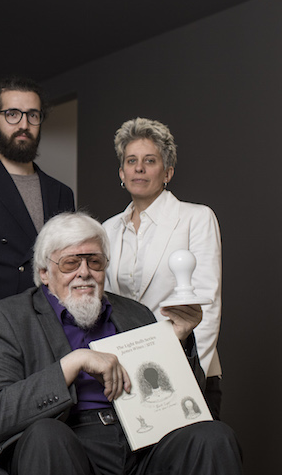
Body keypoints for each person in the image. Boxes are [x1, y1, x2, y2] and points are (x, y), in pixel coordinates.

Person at [0, 212, 241, 475]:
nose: (84, 272)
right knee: (46, 435)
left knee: (212, 436)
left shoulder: (136, 314)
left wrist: (177, 340)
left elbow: (189, 405)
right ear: (44, 272)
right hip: (67, 440)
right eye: (70, 263)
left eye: (95, 262)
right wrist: (74, 362)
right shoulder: (7, 318)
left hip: (140, 441)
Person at [0, 76, 75, 412]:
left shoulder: (61, 193)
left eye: (33, 115)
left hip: (52, 339)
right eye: (12, 114)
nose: (24, 124)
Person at [102, 117, 223, 419]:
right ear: (122, 172)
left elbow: (206, 306)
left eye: (150, 160)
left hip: (185, 365)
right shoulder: (106, 230)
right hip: (125, 374)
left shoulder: (196, 218)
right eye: (131, 161)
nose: (139, 168)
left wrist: (187, 371)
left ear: (167, 172)